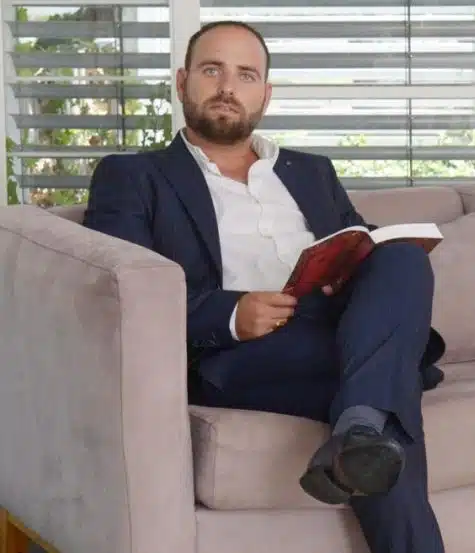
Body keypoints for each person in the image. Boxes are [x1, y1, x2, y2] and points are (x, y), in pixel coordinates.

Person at [82, 20, 447, 553]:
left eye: (246, 75)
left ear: (265, 94)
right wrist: (232, 314)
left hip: (336, 331)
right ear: (182, 82)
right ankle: (372, 407)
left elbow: (358, 243)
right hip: (238, 353)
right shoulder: (132, 177)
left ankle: (359, 426)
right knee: (391, 390)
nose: (228, 87)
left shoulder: (312, 173)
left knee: (402, 259)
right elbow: (120, 295)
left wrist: (351, 268)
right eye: (212, 70)